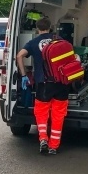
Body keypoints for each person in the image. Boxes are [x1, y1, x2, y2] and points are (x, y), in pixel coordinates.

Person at [15, 17, 69, 155]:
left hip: (43, 83)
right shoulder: (61, 40)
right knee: (58, 115)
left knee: (42, 113)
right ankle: (53, 146)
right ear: (50, 27)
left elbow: (19, 56)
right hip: (61, 83)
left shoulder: (34, 42)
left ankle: (43, 139)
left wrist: (23, 74)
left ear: (37, 28)